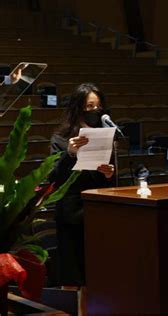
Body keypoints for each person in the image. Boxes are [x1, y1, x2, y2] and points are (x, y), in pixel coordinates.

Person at [49, 83, 115, 286]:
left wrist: (109, 174)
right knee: (73, 272)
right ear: (78, 108)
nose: (95, 111)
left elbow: (112, 179)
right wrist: (69, 154)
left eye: (98, 106)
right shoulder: (60, 139)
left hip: (98, 210)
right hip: (72, 212)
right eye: (90, 106)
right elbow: (54, 177)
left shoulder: (105, 136)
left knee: (99, 271)